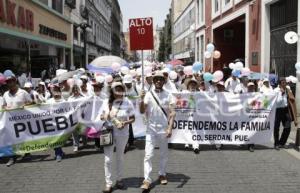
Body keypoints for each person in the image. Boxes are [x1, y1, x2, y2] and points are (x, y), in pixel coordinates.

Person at [139, 71, 176, 190]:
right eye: (156, 79)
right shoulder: (148, 94)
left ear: (164, 81)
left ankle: (162, 174)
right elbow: (141, 111)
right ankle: (147, 180)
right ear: (153, 82)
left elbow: (172, 112)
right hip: (151, 129)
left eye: (161, 79)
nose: (158, 81)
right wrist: (141, 100)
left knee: (163, 154)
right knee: (148, 155)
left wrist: (170, 128)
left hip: (164, 129)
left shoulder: (169, 95)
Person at [101, 82, 135, 193]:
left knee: (119, 157)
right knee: (108, 159)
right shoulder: (106, 102)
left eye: (121, 90)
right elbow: (101, 116)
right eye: (116, 90)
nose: (119, 92)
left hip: (123, 133)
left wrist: (124, 123)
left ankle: (119, 179)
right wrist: (104, 116)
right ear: (112, 91)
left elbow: (133, 118)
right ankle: (108, 183)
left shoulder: (127, 102)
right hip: (107, 132)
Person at [2, 71, 32, 167]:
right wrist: (4, 107)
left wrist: (25, 105)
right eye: (8, 82)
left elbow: (31, 103)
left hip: (22, 121)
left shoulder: (23, 92)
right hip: (10, 122)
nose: (9, 83)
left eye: (11, 81)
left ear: (15, 81)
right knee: (11, 139)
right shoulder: (5, 94)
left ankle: (27, 153)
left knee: (23, 137)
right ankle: (12, 157)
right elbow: (3, 105)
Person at [273, 78, 298, 150]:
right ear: (280, 84)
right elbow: (277, 102)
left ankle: (282, 143)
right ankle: (276, 144)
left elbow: (291, 99)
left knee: (288, 127)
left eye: (285, 83)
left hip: (286, 110)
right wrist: (282, 93)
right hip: (278, 110)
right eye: (283, 83)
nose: (285, 84)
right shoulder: (276, 91)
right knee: (276, 128)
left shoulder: (287, 89)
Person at [46, 84, 65, 162]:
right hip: (53, 124)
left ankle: (60, 152)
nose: (56, 92)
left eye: (58, 90)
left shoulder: (64, 100)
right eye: (54, 90)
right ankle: (58, 153)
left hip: (63, 123)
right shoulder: (49, 101)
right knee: (55, 139)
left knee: (60, 139)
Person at [68, 83, 86, 152]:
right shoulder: (70, 98)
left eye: (76, 90)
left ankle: (84, 140)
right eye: (74, 90)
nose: (75, 91)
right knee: (74, 132)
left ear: (79, 90)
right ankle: (76, 145)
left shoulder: (83, 97)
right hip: (74, 117)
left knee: (83, 131)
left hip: (82, 117)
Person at [184, 78, 200, 154]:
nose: (192, 86)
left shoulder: (200, 93)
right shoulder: (184, 93)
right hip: (185, 115)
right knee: (186, 129)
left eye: (194, 84)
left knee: (194, 130)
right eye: (191, 84)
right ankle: (186, 143)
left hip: (196, 115)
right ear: (188, 86)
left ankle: (195, 146)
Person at [123, 74, 138, 151]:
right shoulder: (123, 89)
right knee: (127, 126)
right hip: (124, 110)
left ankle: (130, 140)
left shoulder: (136, 88)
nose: (127, 85)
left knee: (131, 125)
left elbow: (138, 99)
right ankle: (127, 141)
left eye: (129, 83)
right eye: (126, 84)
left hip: (133, 109)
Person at [247, 82, 256, 152]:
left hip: (253, 116)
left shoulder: (257, 95)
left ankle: (251, 145)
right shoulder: (244, 95)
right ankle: (246, 142)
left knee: (252, 129)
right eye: (250, 87)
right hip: (245, 115)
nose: (251, 88)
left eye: (252, 86)